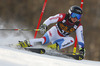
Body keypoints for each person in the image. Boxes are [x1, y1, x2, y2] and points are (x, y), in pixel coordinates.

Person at [17, 5, 85, 56]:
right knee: (42, 41)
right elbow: (51, 19)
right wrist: (44, 25)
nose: (75, 18)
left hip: (61, 39)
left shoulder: (78, 25)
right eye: (74, 15)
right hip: (54, 32)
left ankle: (52, 48)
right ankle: (26, 43)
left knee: (71, 40)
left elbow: (80, 37)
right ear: (70, 13)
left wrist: (81, 48)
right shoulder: (63, 17)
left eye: (78, 16)